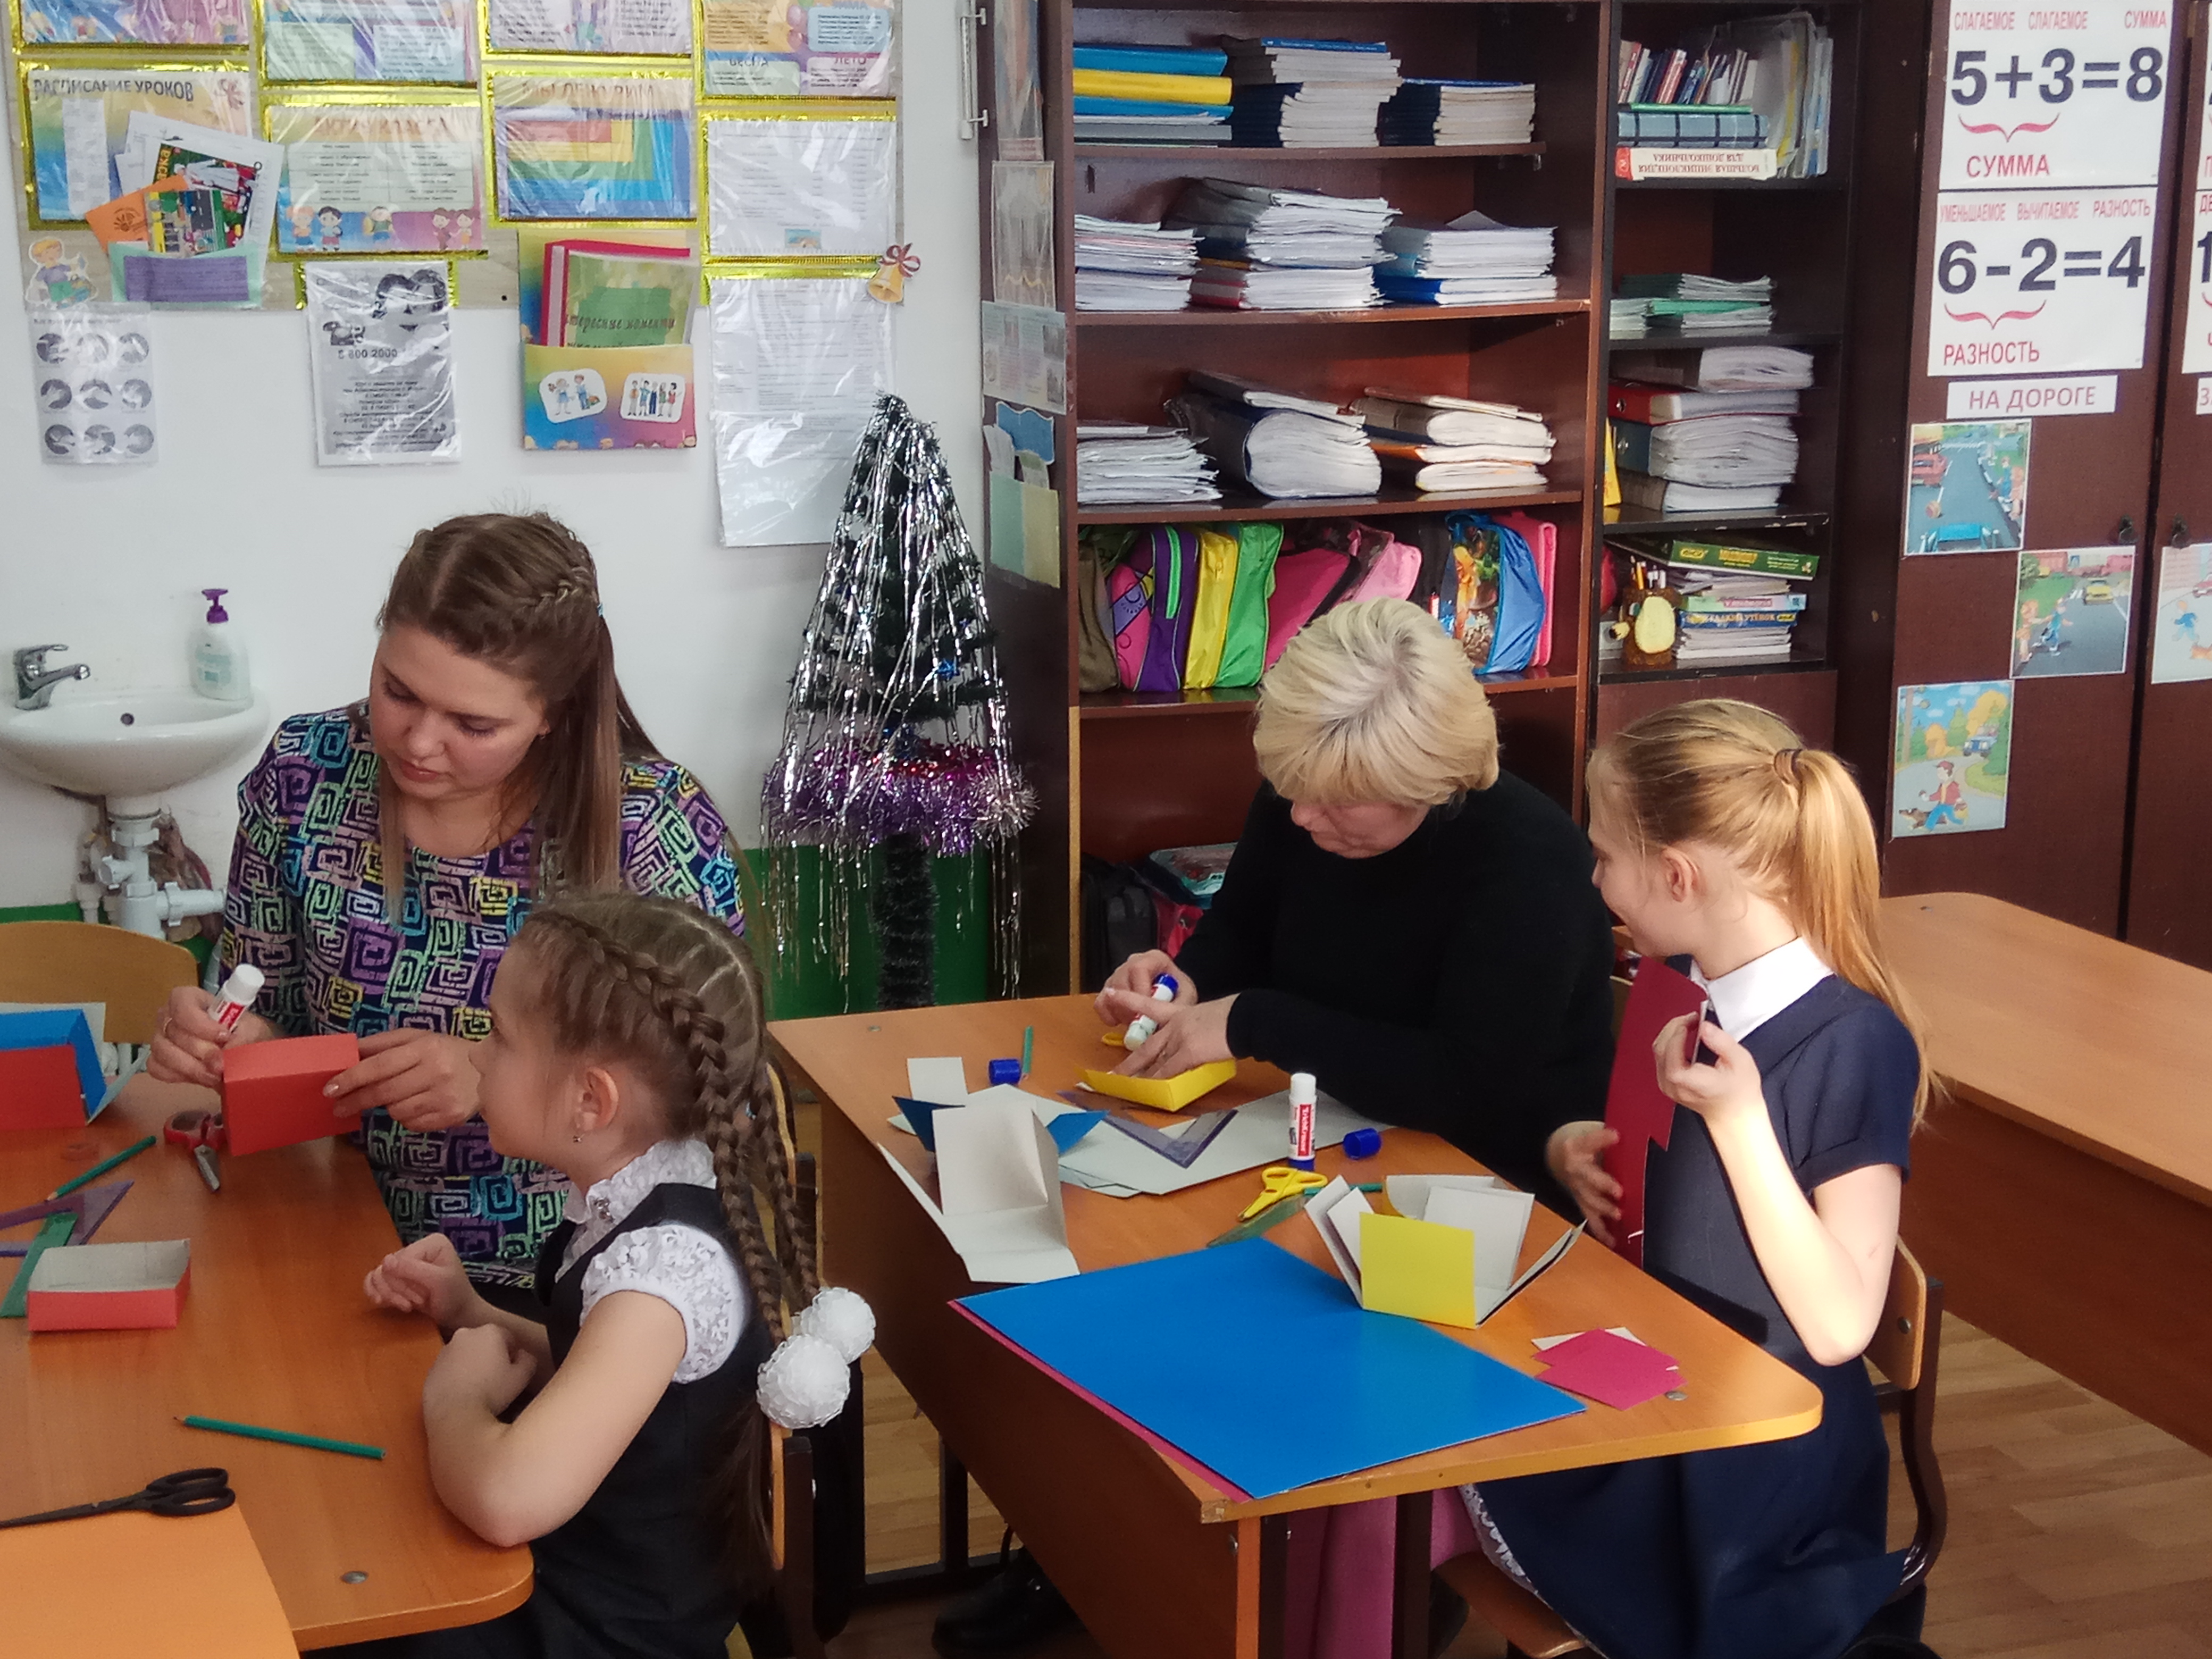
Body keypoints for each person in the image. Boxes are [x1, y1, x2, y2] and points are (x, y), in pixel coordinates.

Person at [148, 513, 744, 1308]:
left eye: (474, 724)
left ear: (553, 712)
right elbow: (268, 1007)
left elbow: (714, 1093)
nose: (419, 742)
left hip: (576, 1271)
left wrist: (498, 1075)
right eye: (397, 691)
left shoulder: (651, 828)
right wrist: (235, 1044)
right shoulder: (305, 777)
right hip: (331, 1221)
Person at [1474, 699, 1928, 1659]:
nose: (1594, 880)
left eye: (1604, 856)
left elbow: (1840, 1326)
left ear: (1678, 876)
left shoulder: (1856, 1043)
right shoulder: (1676, 987)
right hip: (1661, 1389)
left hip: (1747, 1477)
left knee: (1426, 1463)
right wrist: (1583, 1154)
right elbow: (1664, 1210)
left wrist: (1739, 1122)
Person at [337, 891, 825, 1658]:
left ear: (590, 1101)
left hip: (603, 1631)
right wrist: (470, 1312)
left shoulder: (662, 1275)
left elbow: (507, 1499)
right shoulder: (640, 1192)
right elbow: (601, 1372)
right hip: (577, 1577)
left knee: (348, 1608)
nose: (475, 1056)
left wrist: (454, 1400)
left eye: (497, 1037)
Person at [1094, 598, 1615, 1204]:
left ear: (1425, 785)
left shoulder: (1530, 862)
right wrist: (1184, 985)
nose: (1300, 814)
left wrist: (1253, 1023)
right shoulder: (1307, 792)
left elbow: (1467, 1088)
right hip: (1325, 1128)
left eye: (1337, 798)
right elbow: (1241, 931)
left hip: (1488, 1172)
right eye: (1292, 785)